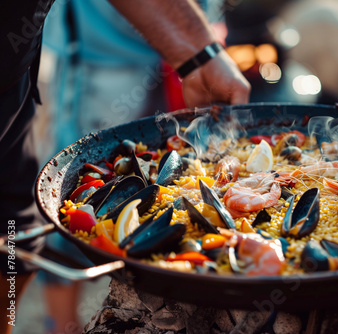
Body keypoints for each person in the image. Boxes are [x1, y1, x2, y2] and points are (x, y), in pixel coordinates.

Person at [0, 1, 250, 334]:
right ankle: (59, 326)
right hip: (99, 55)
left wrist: (201, 54)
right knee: (56, 217)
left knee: (16, 226)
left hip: (15, 74)